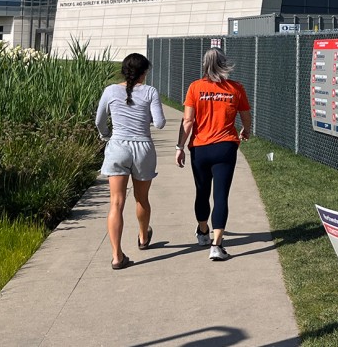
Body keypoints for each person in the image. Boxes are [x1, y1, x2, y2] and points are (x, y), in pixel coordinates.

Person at [176, 48, 251, 261]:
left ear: (204, 64)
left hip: (200, 148)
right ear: (224, 63)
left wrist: (179, 147)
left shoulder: (195, 87)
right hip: (225, 147)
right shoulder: (236, 88)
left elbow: (188, 121)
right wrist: (246, 130)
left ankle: (202, 231)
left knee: (201, 191)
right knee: (221, 195)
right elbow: (245, 116)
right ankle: (216, 246)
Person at [95, 53, 166, 270]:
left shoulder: (110, 91)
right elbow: (160, 123)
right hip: (143, 148)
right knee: (141, 198)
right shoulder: (150, 92)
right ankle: (143, 237)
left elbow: (99, 120)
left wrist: (106, 135)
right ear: (143, 73)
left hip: (118, 147)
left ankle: (117, 256)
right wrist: (147, 117)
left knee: (116, 202)